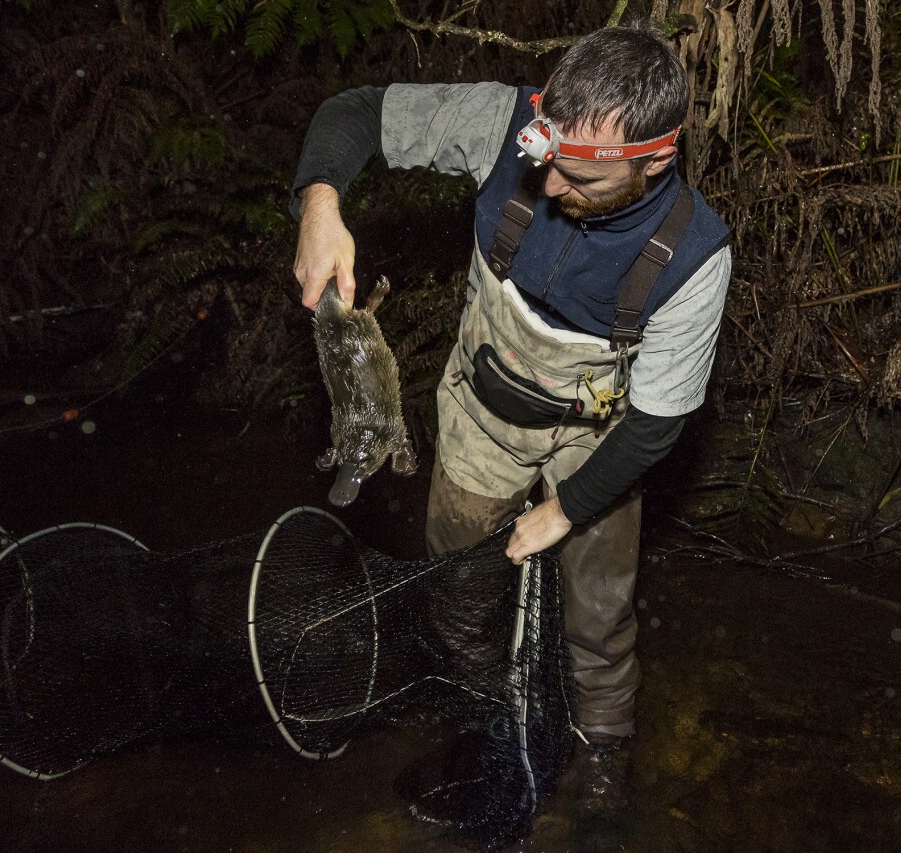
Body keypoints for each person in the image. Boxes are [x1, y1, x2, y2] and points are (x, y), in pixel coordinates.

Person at [291, 22, 731, 811]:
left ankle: (603, 757)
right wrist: (319, 205)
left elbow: (656, 426)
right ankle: (487, 715)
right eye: (546, 158)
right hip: (480, 413)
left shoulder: (694, 258)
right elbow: (352, 112)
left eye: (580, 178)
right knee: (459, 592)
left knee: (598, 620)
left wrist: (566, 509)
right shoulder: (502, 126)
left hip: (602, 440)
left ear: (656, 158)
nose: (552, 186)